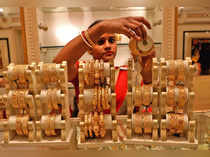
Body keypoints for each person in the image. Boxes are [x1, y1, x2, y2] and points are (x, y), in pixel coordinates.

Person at [53, 16, 155, 116]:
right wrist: (102, 27)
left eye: (111, 40)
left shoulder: (128, 73)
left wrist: (148, 78)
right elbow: (57, 67)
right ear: (89, 49)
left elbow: (144, 107)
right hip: (87, 131)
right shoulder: (82, 71)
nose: (107, 46)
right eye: (100, 42)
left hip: (122, 132)